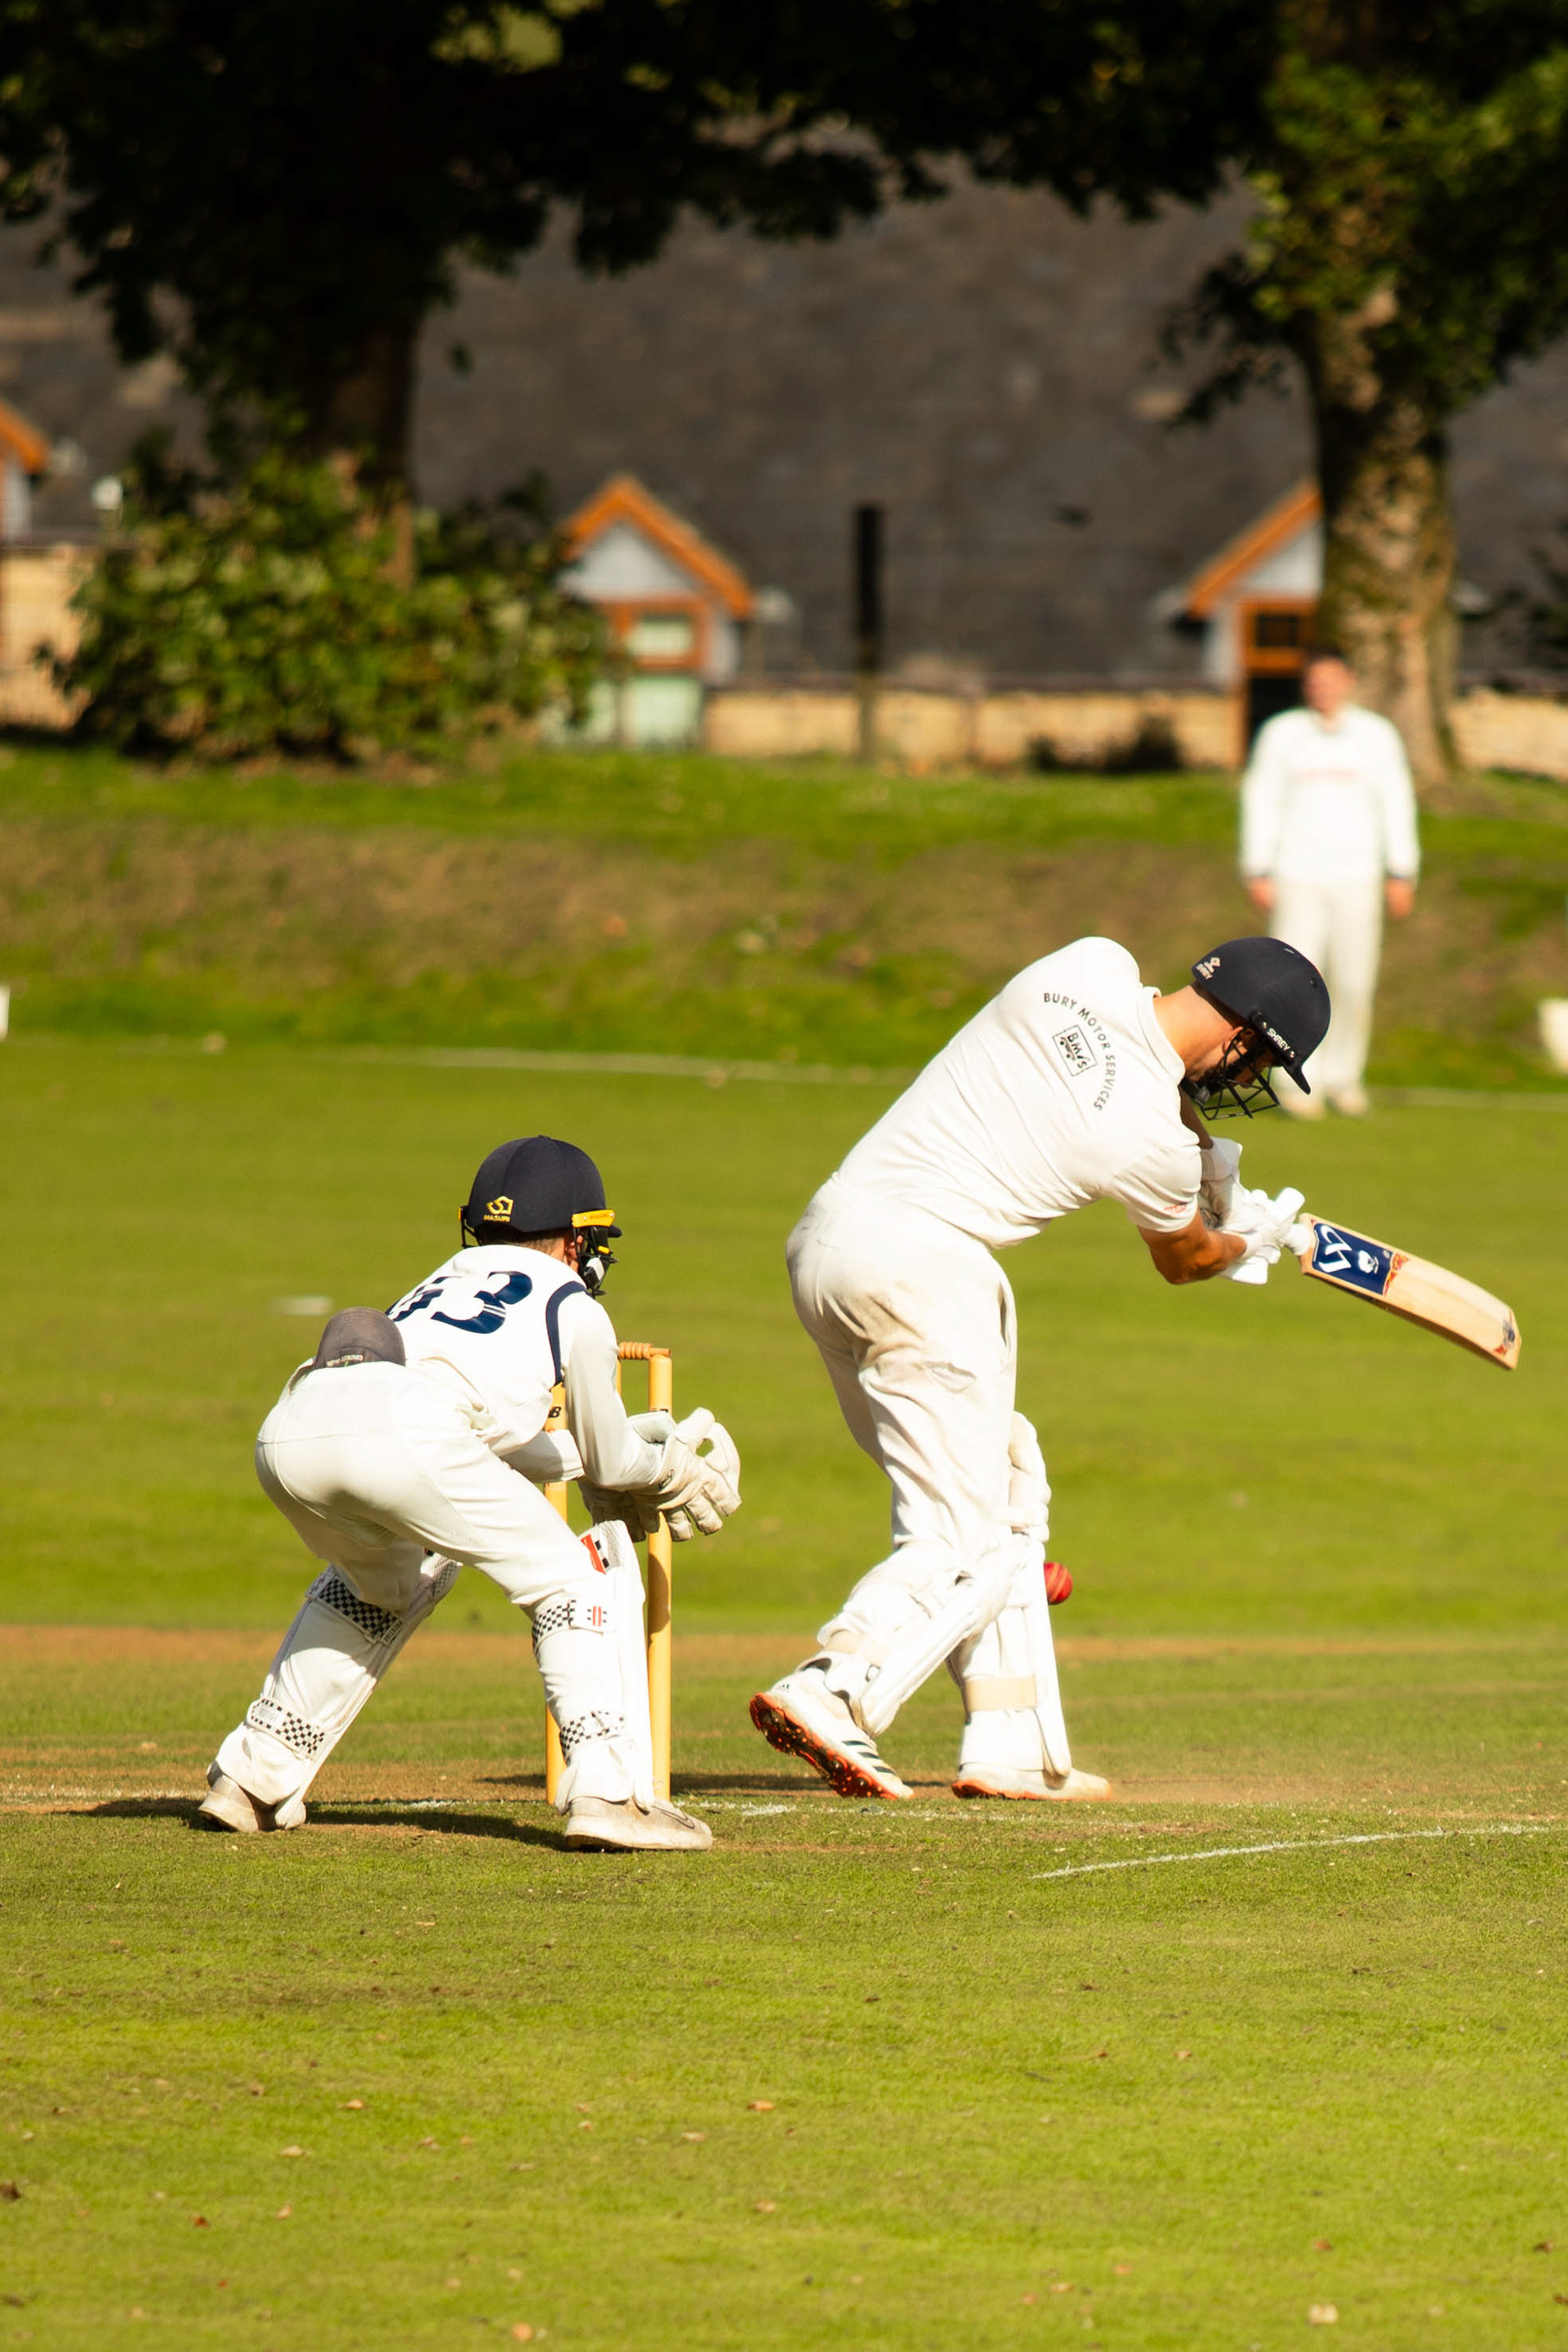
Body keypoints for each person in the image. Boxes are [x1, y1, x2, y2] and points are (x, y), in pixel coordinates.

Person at [750, 933, 1329, 1803]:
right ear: (1242, 1036)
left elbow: (1139, 1082)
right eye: (1255, 1067)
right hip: (926, 1273)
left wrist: (1210, 1170)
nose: (1243, 1085)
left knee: (1006, 1477)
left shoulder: (1085, 967)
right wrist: (1252, 1235)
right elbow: (1185, 1258)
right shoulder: (1152, 1146)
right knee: (963, 1538)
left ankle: (1011, 1738)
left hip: (829, 1244)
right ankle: (835, 1687)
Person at [201, 1136, 742, 1853]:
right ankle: (610, 1796)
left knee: (387, 1581)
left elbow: (477, 1448)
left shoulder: (440, 1281)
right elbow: (612, 1463)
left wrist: (588, 1458)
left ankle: (249, 1778)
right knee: (569, 1579)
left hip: (291, 1430)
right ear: (579, 1239)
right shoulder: (573, 1304)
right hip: (405, 1432)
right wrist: (667, 1468)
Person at [1240, 644, 1419, 1117]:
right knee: (1296, 982)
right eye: (1315, 680)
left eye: (1331, 679)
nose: (1323, 688)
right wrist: (1257, 867)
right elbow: (1263, 801)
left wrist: (1402, 869)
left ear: (1348, 681)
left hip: (1358, 875)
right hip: (1297, 875)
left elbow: (1396, 802)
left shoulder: (1376, 737)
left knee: (1355, 981)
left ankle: (1345, 1077)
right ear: (1306, 685)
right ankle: (1299, 1079)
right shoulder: (1283, 735)